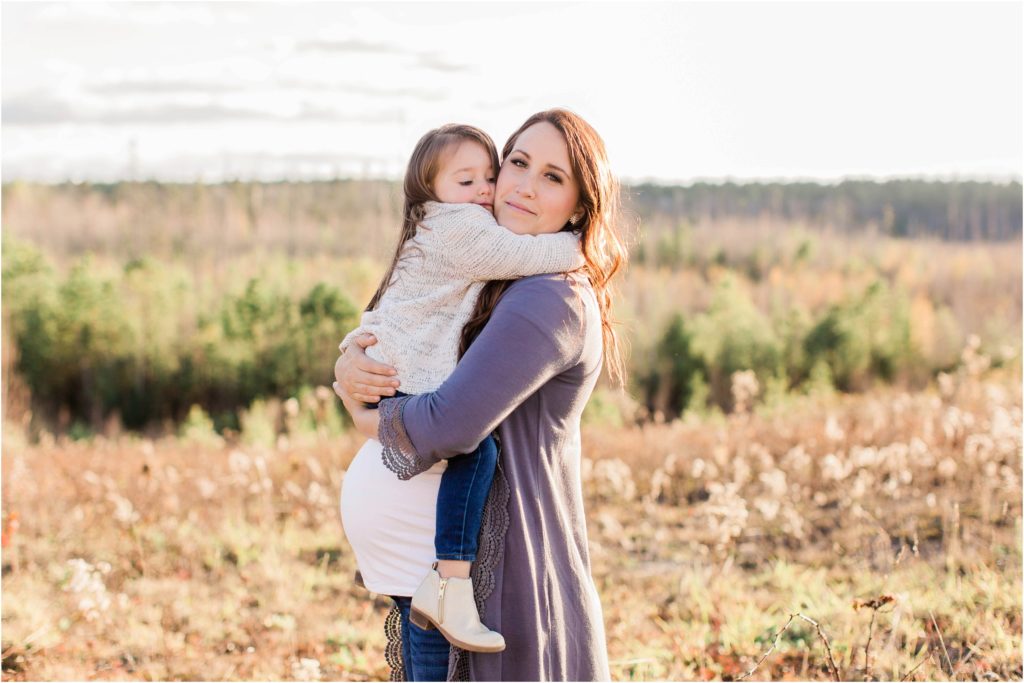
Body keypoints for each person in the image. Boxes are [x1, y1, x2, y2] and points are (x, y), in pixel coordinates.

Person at [334, 108, 627, 681]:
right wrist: (354, 361)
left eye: (552, 177)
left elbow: (450, 424)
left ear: (581, 207)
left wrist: (363, 417)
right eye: (516, 163)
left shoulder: (550, 297)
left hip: (493, 575)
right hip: (431, 584)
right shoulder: (495, 272)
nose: (521, 185)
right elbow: (412, 330)